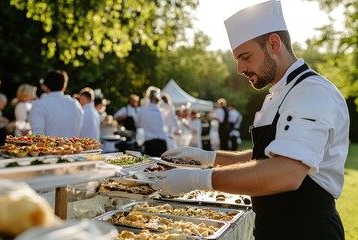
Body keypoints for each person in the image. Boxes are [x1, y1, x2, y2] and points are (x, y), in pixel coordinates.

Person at [150, 1, 349, 240]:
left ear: (274, 44)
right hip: (274, 226)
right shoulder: (279, 92)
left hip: (307, 228)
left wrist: (199, 179)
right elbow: (264, 155)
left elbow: (287, 172)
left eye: (245, 57)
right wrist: (207, 157)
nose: (239, 68)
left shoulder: (312, 92)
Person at [30, 70, 84, 138]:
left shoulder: (39, 105)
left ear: (45, 86)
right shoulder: (75, 104)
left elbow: (37, 135)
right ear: (64, 87)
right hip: (73, 147)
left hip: (49, 148)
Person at [136, 86, 167, 157]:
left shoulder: (142, 111)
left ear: (148, 97)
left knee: (150, 167)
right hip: (162, 143)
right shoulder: (161, 112)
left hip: (150, 143)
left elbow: (137, 125)